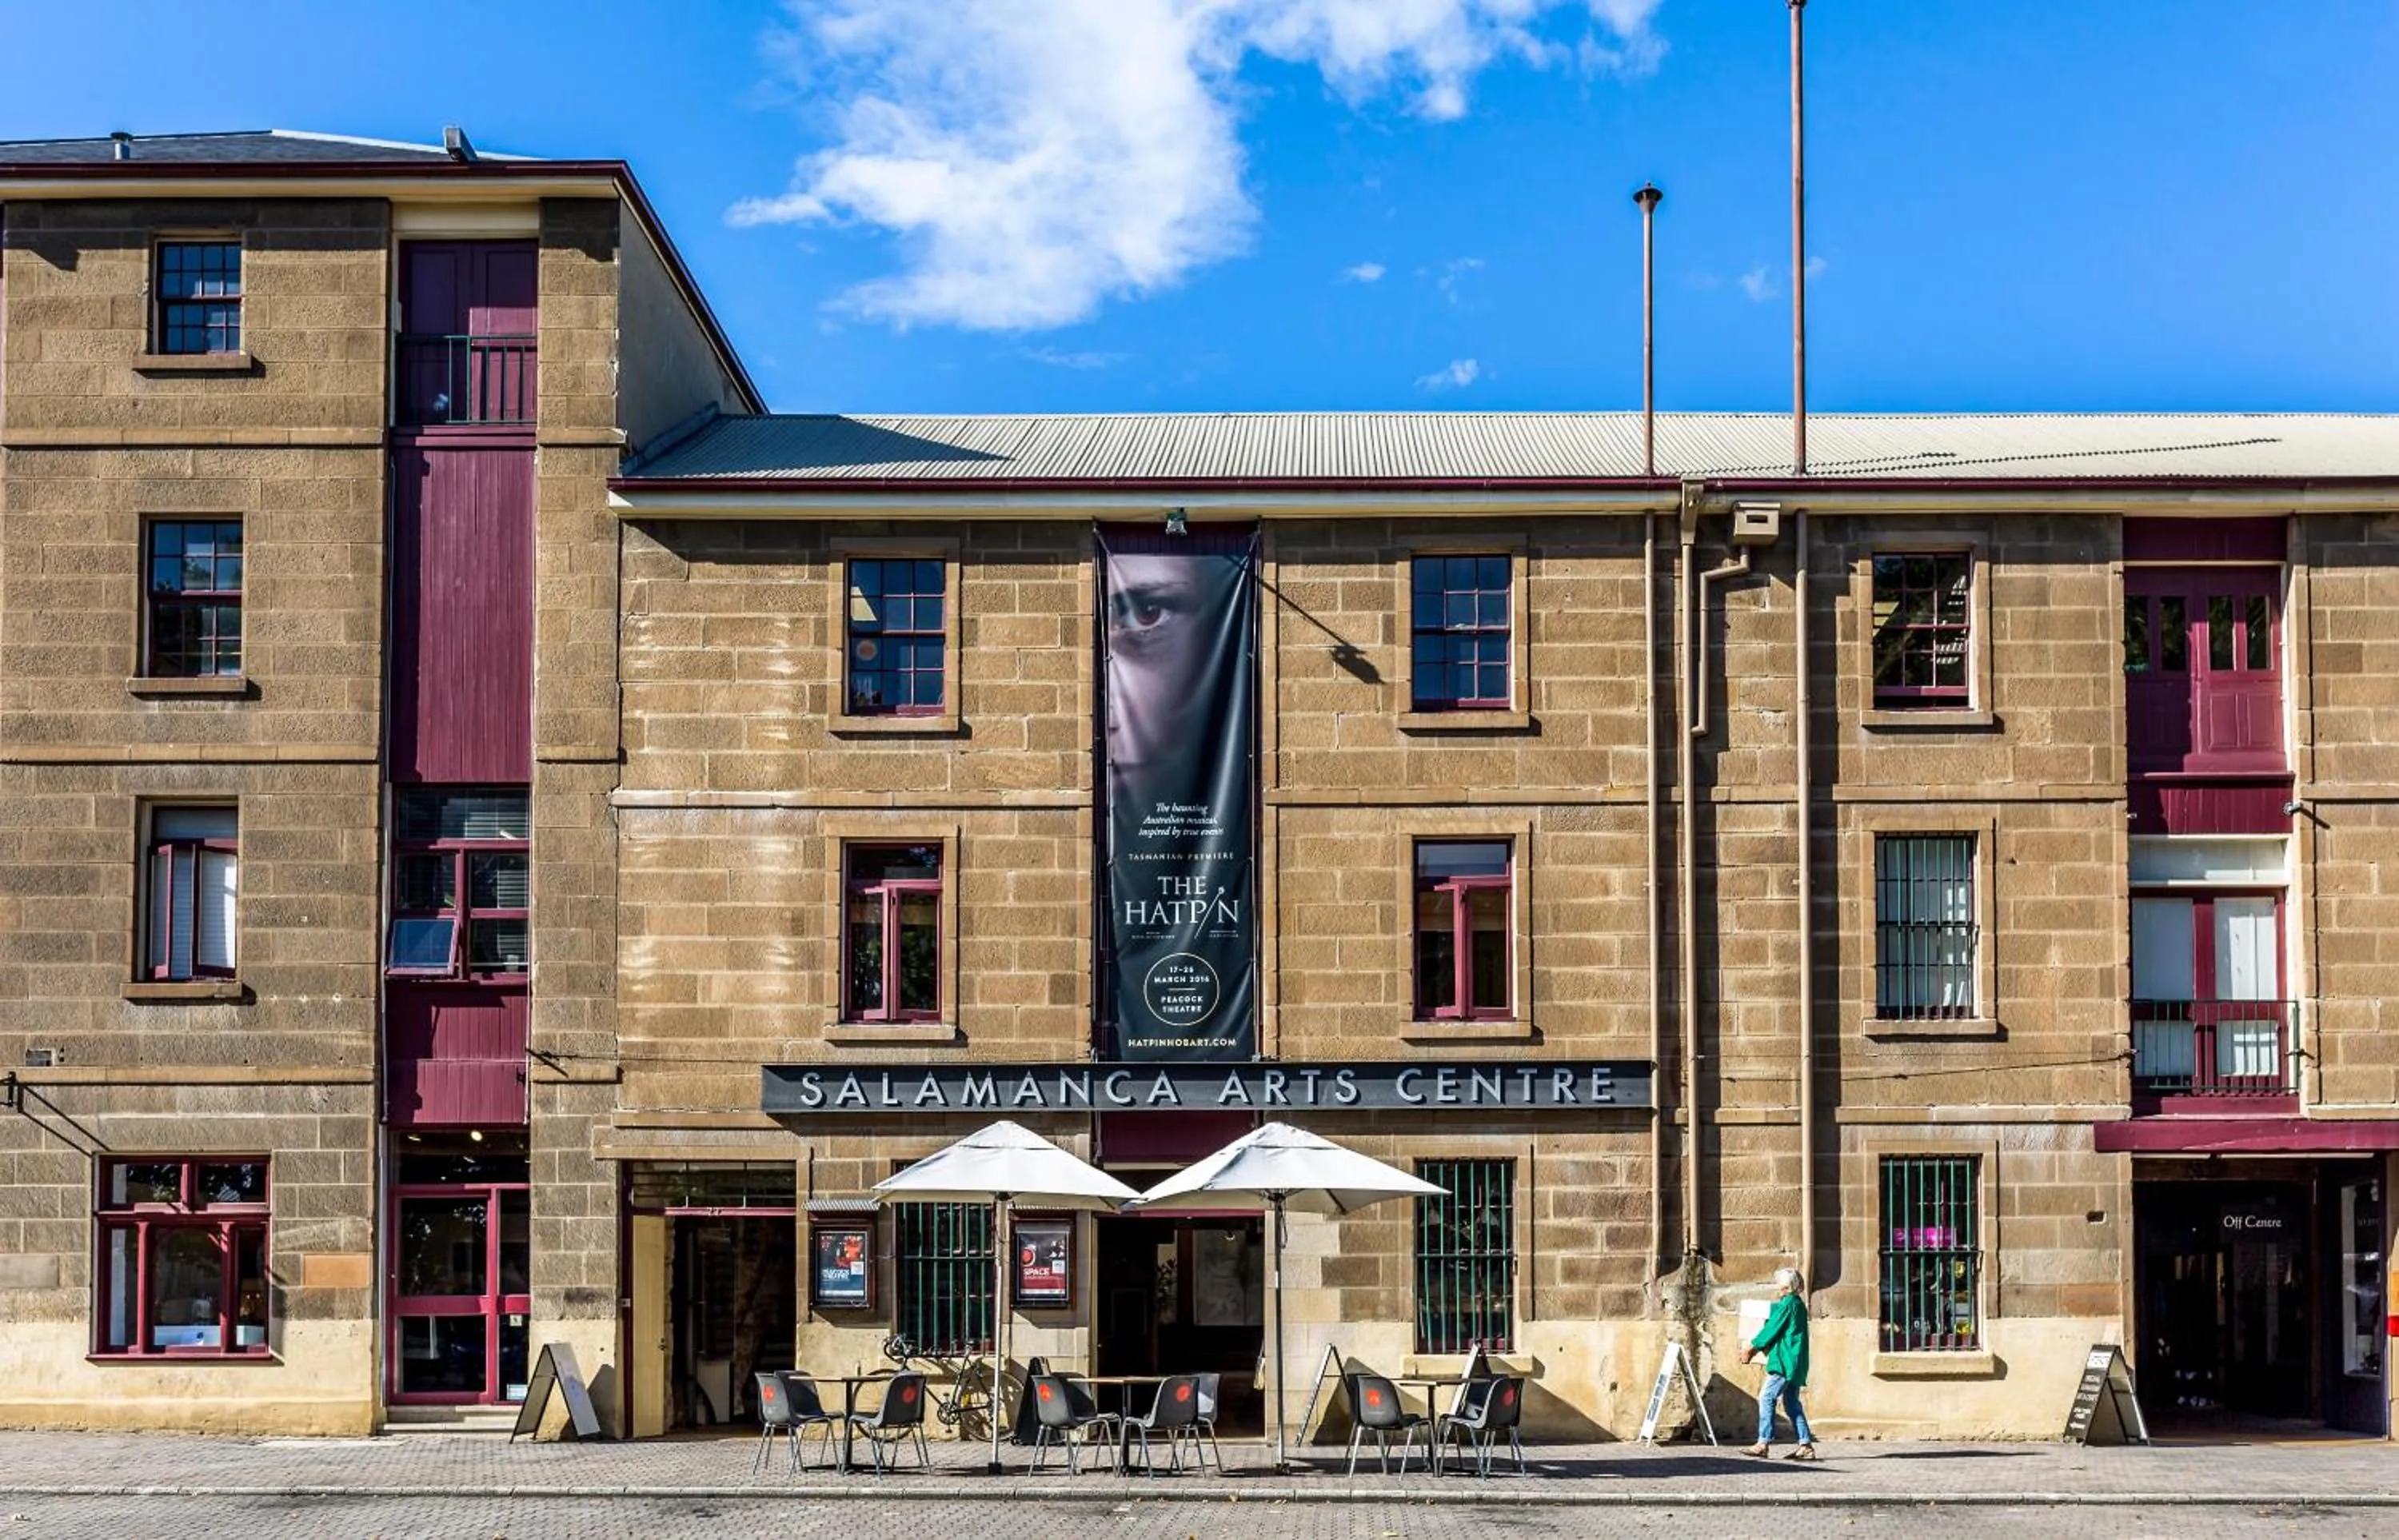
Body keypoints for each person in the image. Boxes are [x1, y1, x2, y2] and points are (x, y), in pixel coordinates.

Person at [1742, 1266, 1816, 1460]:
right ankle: (1805, 1445)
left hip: (1785, 1361)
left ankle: (1763, 1443)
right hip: (1795, 1362)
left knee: (1767, 1397)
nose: (1777, 1288)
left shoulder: (1788, 1304)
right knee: (1791, 1403)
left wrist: (1751, 1348)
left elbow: (1771, 1330)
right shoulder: (1797, 1305)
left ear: (1786, 1287)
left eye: (1779, 1285)